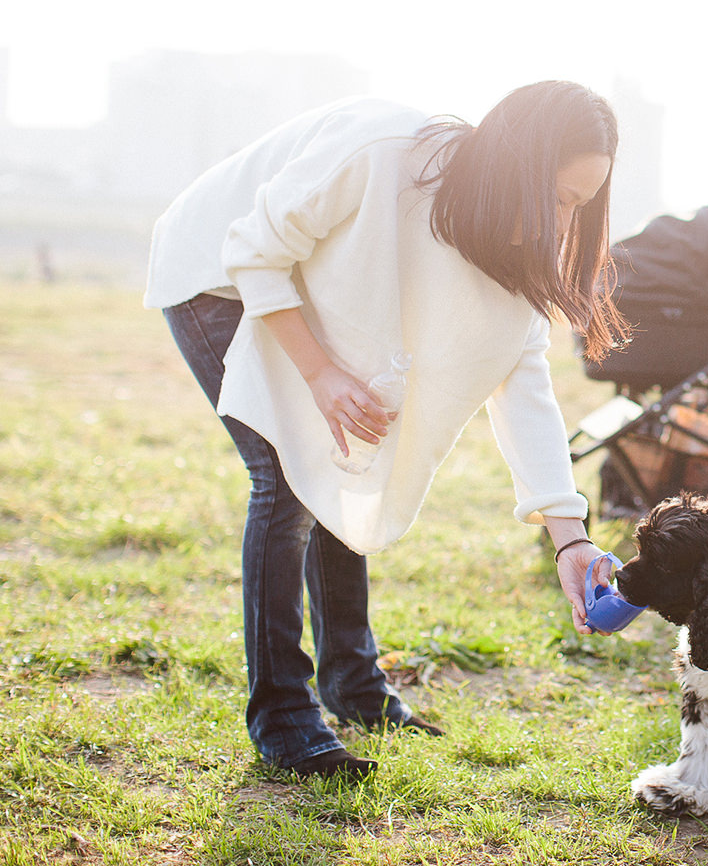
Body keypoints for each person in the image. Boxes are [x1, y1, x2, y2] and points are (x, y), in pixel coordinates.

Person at [143, 81, 628, 780]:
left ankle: (355, 686)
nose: (561, 224)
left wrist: (569, 537)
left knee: (344, 462)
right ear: (514, 164)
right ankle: (283, 716)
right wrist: (320, 375)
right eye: (556, 197)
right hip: (215, 272)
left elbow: (523, 388)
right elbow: (251, 248)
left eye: (578, 207)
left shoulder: (511, 252)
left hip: (295, 278)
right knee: (286, 479)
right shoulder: (383, 150)